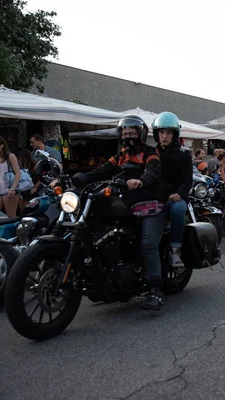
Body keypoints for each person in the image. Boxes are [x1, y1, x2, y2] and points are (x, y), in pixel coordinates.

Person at [78, 115, 164, 310]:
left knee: (148, 243)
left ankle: (155, 290)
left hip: (149, 204)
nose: (128, 137)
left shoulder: (150, 151)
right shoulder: (121, 155)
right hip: (127, 203)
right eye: (125, 134)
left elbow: (153, 170)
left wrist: (141, 180)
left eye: (132, 133)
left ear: (140, 134)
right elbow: (102, 170)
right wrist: (80, 178)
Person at [152, 112, 193, 297]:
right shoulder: (151, 153)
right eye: (161, 132)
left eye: (168, 133)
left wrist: (180, 194)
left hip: (176, 197)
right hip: (156, 197)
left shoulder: (184, 154)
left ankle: (175, 249)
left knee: (177, 209)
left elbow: (188, 179)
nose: (164, 136)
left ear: (175, 135)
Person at [0, 136, 21, 217]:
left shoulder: (10, 156)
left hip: (9, 188)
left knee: (10, 216)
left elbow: (18, 173)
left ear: (2, 146)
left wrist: (13, 188)